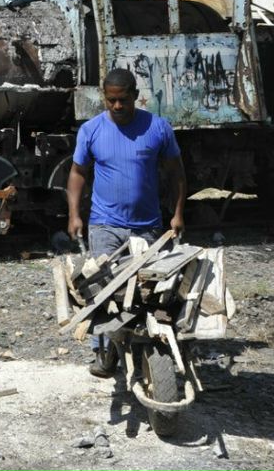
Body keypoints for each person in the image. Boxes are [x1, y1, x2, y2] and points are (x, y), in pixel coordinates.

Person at [66, 67, 186, 377]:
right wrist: (74, 214)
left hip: (147, 225)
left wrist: (177, 213)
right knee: (102, 290)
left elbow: (176, 172)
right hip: (105, 224)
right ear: (104, 99)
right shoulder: (91, 131)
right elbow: (78, 173)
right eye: (111, 101)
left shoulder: (157, 128)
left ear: (135, 95)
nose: (117, 107)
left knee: (147, 290)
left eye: (123, 100)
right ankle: (104, 354)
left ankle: (145, 347)